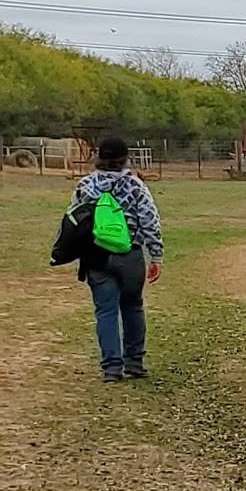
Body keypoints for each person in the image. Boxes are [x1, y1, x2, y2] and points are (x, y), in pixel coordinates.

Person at [72, 136, 164, 382]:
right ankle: (134, 362)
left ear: (98, 158)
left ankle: (111, 368)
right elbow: (150, 221)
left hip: (96, 255)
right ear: (125, 159)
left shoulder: (85, 185)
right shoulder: (136, 186)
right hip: (130, 254)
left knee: (106, 311)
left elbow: (75, 221)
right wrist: (156, 255)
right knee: (133, 306)